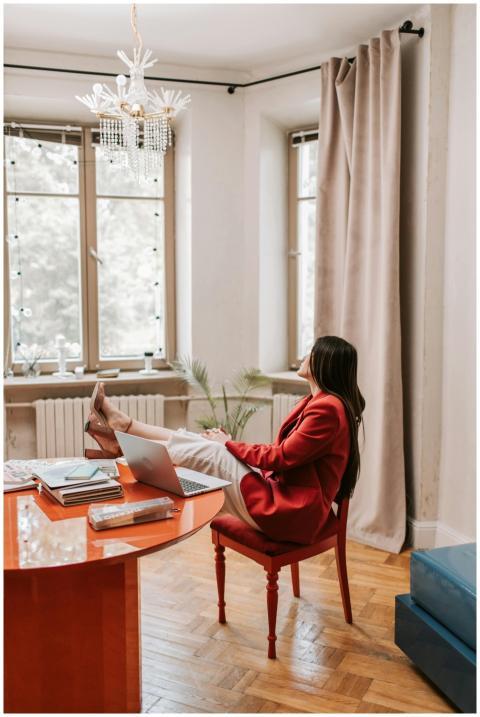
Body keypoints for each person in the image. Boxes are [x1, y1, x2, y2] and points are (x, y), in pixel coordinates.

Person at [85, 336, 365, 544]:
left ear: (324, 362)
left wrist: (228, 445)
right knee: (206, 445)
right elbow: (283, 457)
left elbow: (281, 457)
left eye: (311, 352)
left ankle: (122, 434)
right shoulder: (318, 402)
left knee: (214, 452)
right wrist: (227, 444)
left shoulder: (328, 408)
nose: (305, 355)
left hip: (290, 514)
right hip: (286, 499)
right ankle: (123, 431)